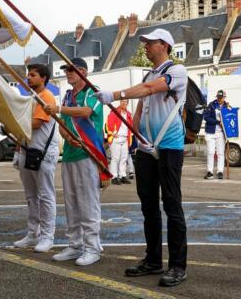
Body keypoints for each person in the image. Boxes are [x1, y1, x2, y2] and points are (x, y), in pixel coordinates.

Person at [95, 28, 188, 287]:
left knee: (172, 204)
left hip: (169, 147)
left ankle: (178, 266)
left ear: (164, 45)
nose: (145, 46)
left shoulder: (177, 71)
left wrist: (114, 95)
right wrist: (137, 142)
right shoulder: (148, 73)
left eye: (150, 43)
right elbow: (140, 108)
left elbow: (149, 90)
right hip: (146, 149)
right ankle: (153, 260)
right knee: (148, 206)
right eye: (145, 43)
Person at [44, 57, 104, 266]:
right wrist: (67, 135)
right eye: (66, 70)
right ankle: (75, 244)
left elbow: (86, 112)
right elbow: (63, 124)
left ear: (84, 73)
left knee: (88, 203)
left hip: (88, 153)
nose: (68, 73)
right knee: (71, 203)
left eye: (73, 70)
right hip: (70, 154)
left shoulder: (92, 92)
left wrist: (59, 109)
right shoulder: (68, 95)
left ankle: (92, 248)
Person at [13, 64, 59, 253]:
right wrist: (17, 148)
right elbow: (23, 129)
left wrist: (12, 122)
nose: (28, 78)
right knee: (31, 196)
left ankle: (47, 236)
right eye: (28, 75)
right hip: (28, 151)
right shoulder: (31, 98)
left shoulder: (45, 97)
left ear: (44, 78)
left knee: (46, 196)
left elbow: (37, 123)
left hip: (43, 153)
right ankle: (33, 234)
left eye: (32, 75)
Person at [203, 90, 230, 180]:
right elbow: (206, 117)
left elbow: (230, 117)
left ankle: (220, 172)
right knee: (210, 152)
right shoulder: (211, 105)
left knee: (220, 153)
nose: (219, 99)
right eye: (218, 97)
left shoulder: (227, 106)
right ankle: (210, 172)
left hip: (221, 133)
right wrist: (218, 122)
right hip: (210, 132)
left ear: (224, 97)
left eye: (221, 97)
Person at [106, 100, 133, 185]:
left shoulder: (129, 114)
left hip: (125, 139)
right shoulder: (114, 112)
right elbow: (108, 123)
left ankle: (122, 176)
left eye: (125, 102)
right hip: (116, 139)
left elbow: (131, 125)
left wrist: (130, 135)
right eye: (122, 101)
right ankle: (114, 177)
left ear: (127, 103)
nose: (124, 103)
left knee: (124, 158)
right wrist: (113, 132)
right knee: (115, 158)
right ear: (120, 102)